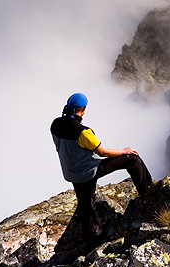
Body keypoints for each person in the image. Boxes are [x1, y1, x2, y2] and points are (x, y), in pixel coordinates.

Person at [50, 92, 154, 241]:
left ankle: (92, 236)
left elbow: (57, 147)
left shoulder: (55, 124)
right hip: (89, 170)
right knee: (133, 159)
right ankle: (147, 192)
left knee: (85, 203)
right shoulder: (84, 133)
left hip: (71, 172)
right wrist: (124, 151)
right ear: (83, 109)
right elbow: (103, 152)